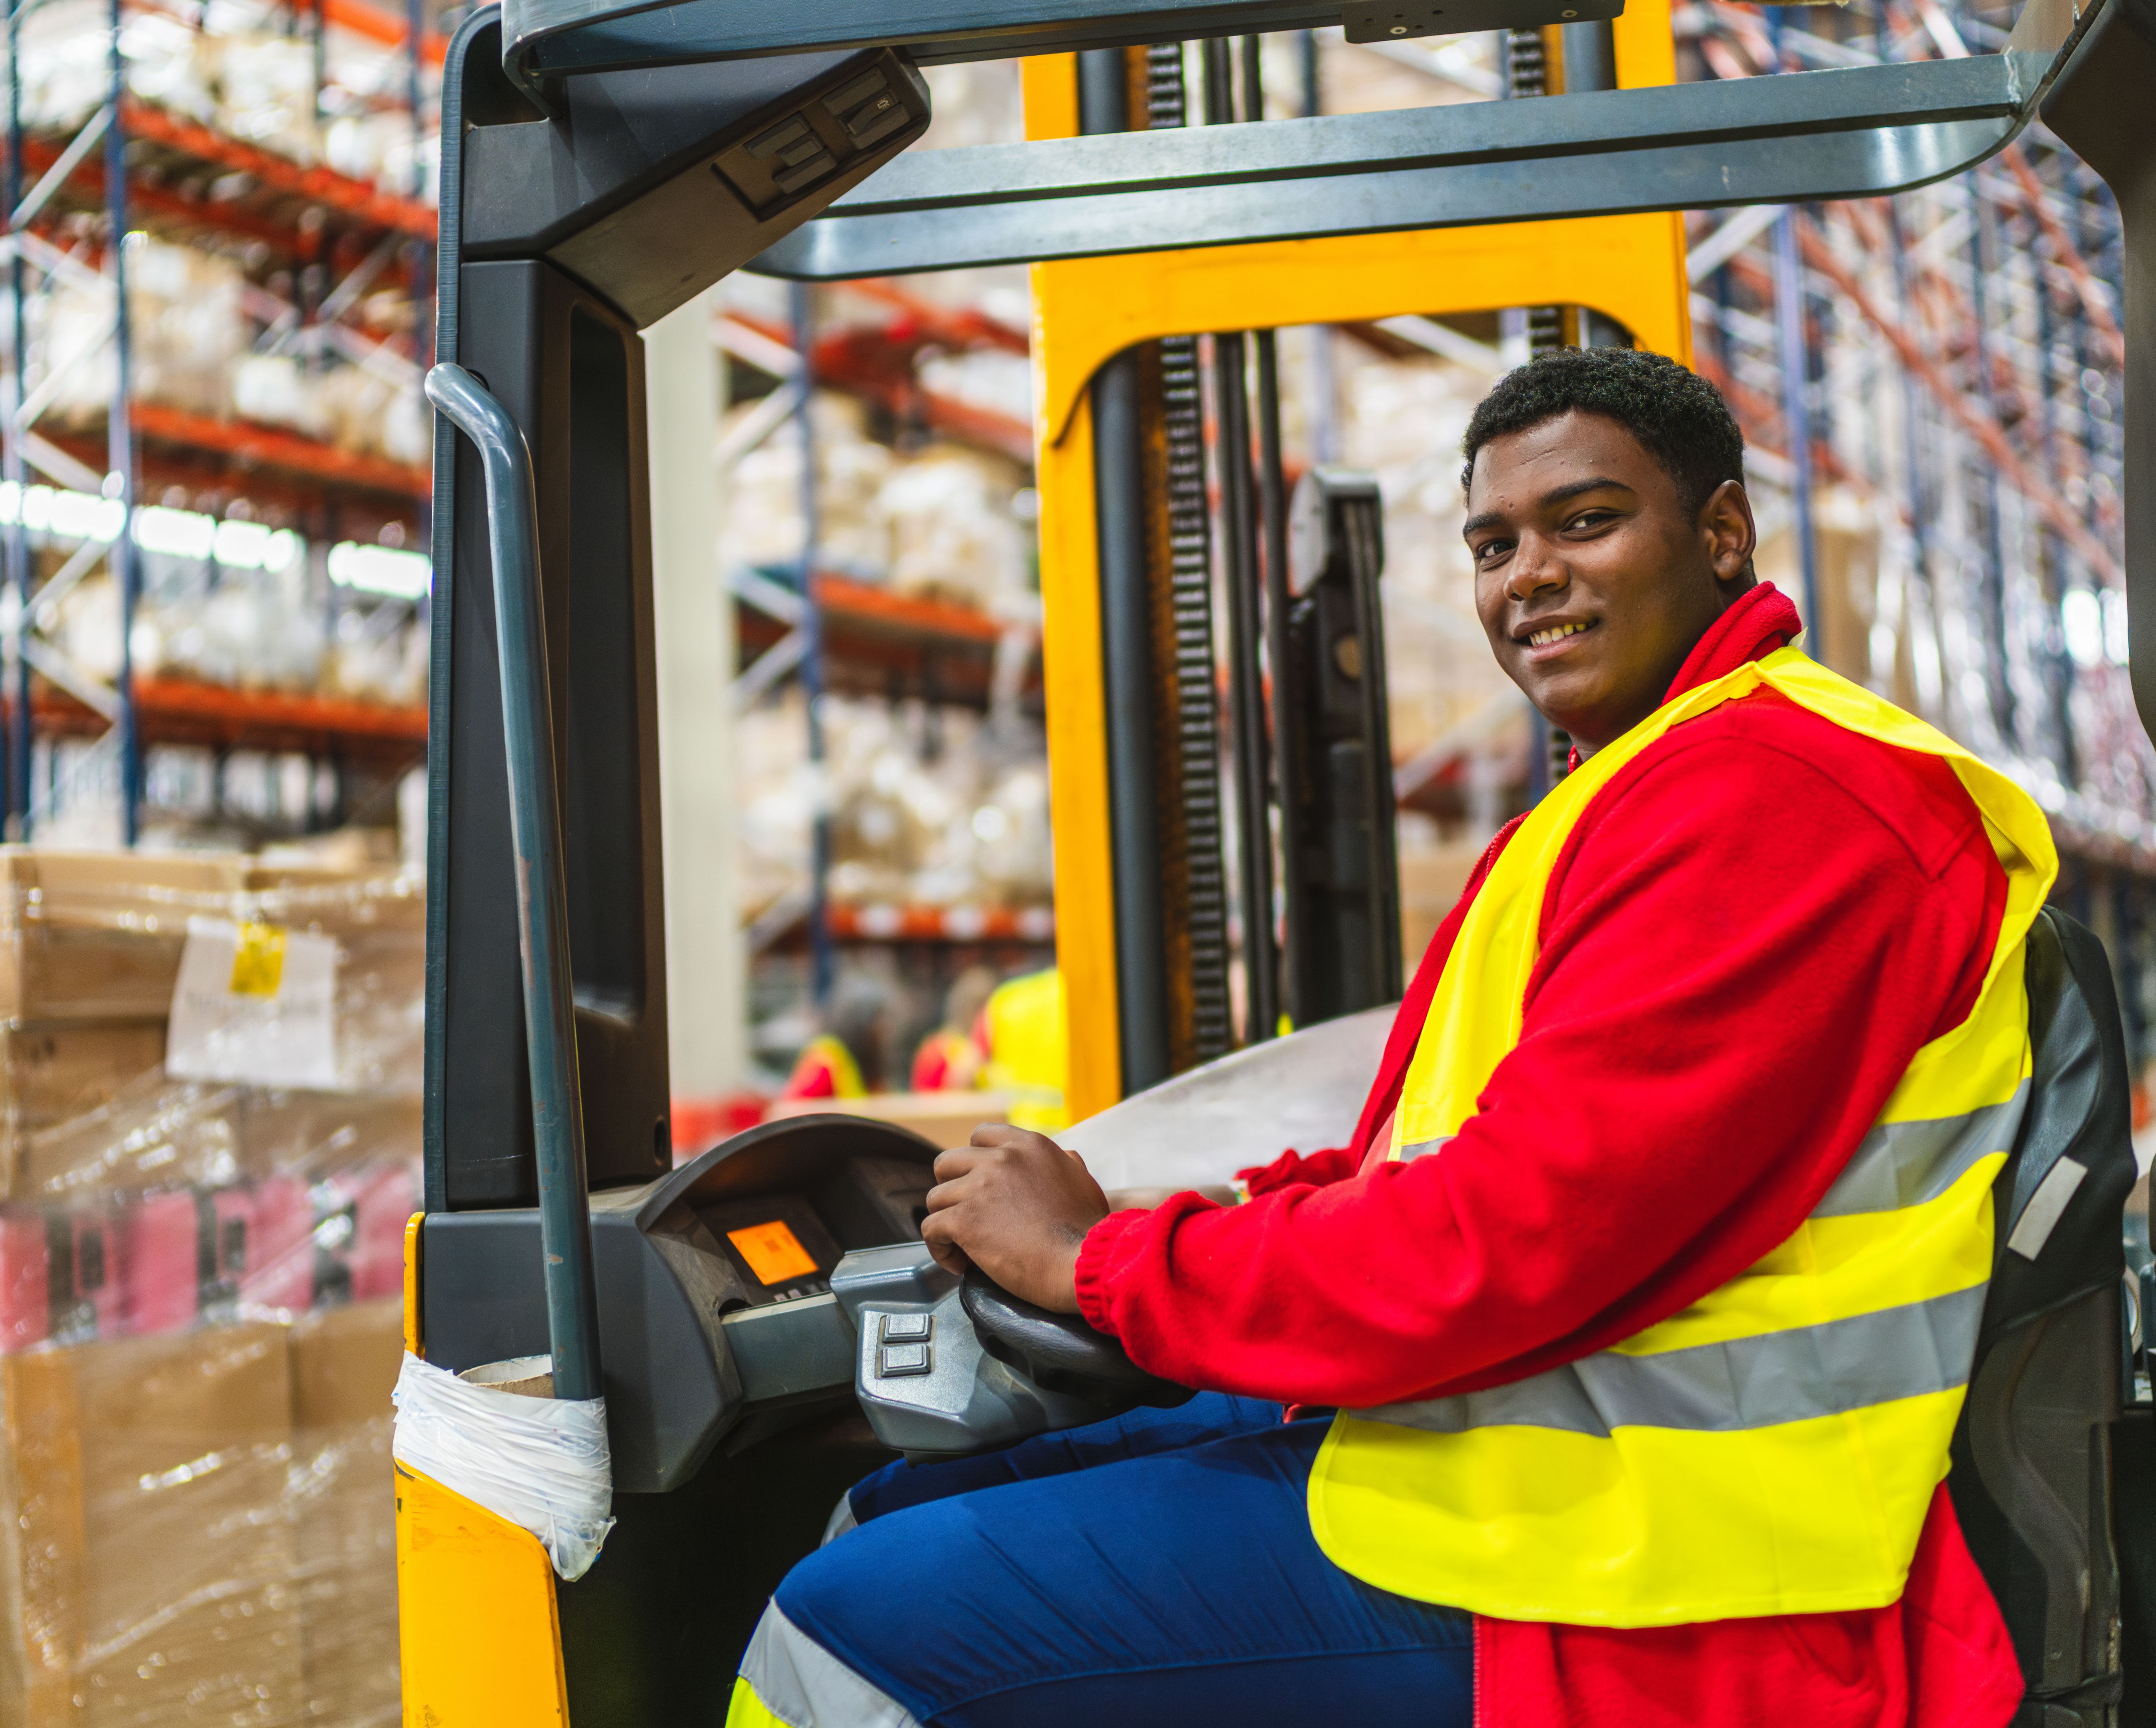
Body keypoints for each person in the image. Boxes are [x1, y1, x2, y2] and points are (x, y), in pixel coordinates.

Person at [726, 348, 2052, 1728]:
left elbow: (1502, 1241)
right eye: (1494, 543)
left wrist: (1100, 1264)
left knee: (846, 1629)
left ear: (1721, 536)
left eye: (1585, 522)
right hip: (1549, 1458)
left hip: (1647, 1575)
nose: (1526, 574)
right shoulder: (1660, 786)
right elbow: (1451, 1159)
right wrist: (1187, 1217)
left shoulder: (1778, 798)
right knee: (902, 1500)